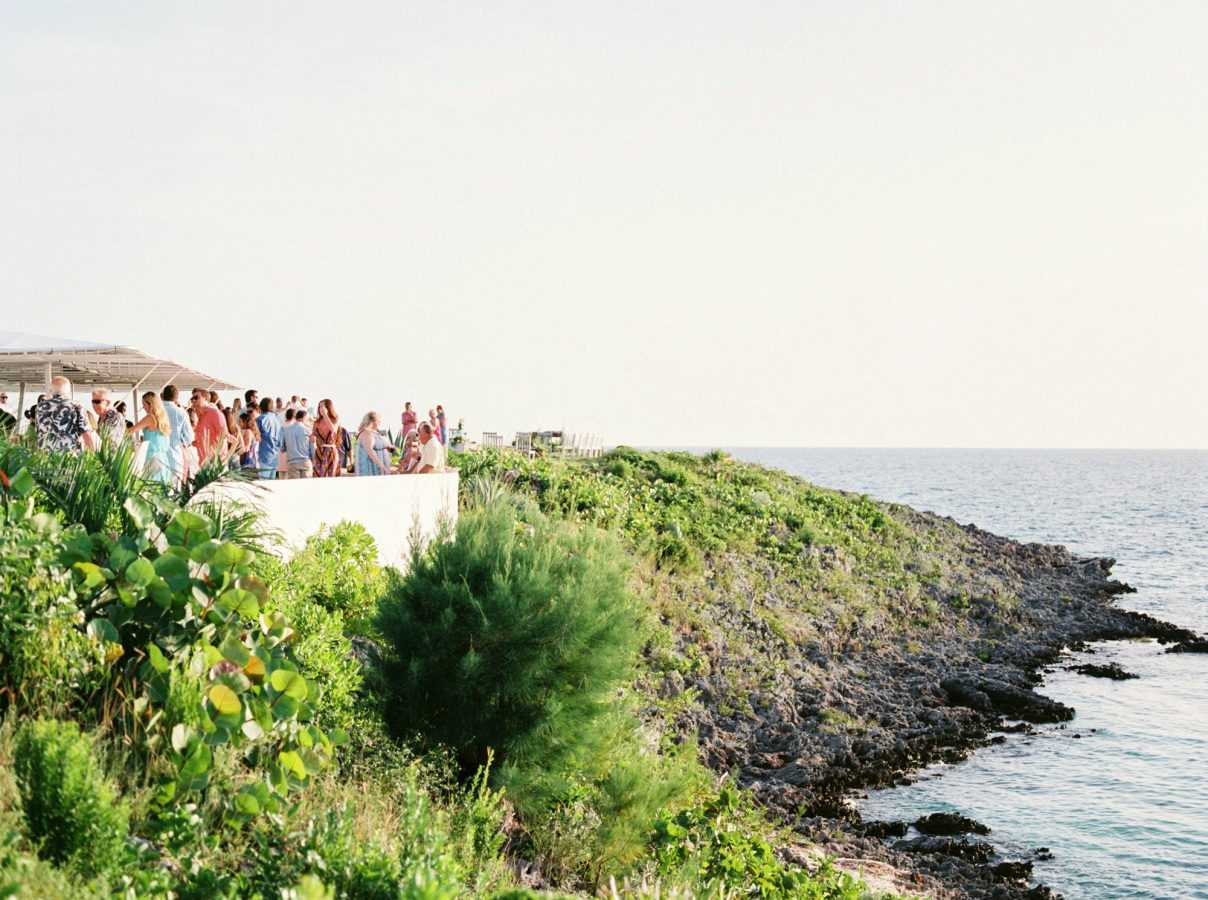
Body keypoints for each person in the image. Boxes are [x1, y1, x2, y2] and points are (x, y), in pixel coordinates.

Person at [34, 377, 97, 453]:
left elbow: (38, 433)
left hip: (45, 455)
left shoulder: (40, 407)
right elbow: (86, 434)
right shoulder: (76, 406)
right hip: (69, 455)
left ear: (50, 391)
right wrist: (95, 455)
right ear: (69, 391)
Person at [126, 392, 173, 483]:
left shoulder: (150, 418)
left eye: (144, 404)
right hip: (162, 458)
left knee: (149, 486)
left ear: (150, 404)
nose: (143, 407)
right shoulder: (163, 418)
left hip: (151, 457)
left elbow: (131, 430)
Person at [160, 385, 195, 485]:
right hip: (175, 459)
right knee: (174, 490)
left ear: (163, 395)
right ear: (177, 397)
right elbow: (189, 438)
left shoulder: (154, 412)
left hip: (157, 459)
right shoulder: (182, 413)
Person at [190, 388, 227, 466]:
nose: (193, 400)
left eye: (196, 397)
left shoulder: (214, 413)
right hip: (204, 462)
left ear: (205, 399)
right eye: (192, 398)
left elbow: (223, 437)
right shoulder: (201, 416)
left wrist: (217, 459)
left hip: (215, 464)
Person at [355, 412, 392, 476]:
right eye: (378, 421)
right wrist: (380, 464)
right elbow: (369, 450)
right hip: (371, 469)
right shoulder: (366, 433)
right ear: (371, 421)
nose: (380, 423)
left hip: (380, 469)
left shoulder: (374, 432)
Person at [256, 398, 284, 480]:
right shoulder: (278, 422)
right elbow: (280, 443)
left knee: (262, 484)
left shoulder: (260, 420)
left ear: (261, 407)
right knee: (271, 485)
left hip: (263, 456)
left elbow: (254, 438)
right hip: (274, 457)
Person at [311, 399, 341, 477]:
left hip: (331, 452)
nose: (321, 409)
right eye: (320, 407)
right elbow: (312, 436)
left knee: (331, 476)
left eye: (323, 406)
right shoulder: (316, 423)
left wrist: (325, 415)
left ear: (328, 407)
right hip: (319, 453)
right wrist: (312, 439)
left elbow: (333, 430)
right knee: (318, 476)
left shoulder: (335, 420)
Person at [282, 408, 314, 479]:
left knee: (294, 485)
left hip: (292, 462)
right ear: (303, 419)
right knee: (306, 484)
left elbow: (283, 448)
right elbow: (312, 449)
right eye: (307, 419)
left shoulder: (285, 431)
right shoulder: (308, 431)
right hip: (305, 461)